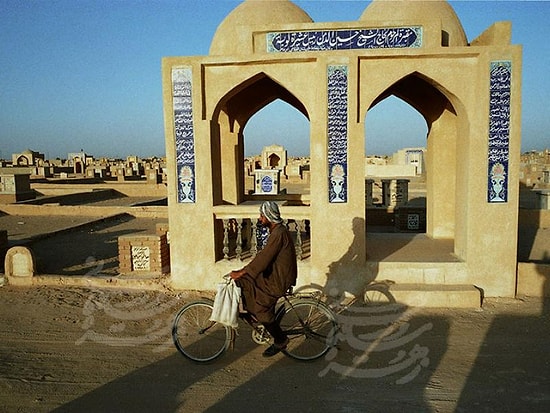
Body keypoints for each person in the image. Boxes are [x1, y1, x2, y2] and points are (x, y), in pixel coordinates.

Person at [230, 201, 297, 357]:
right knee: (245, 283)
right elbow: (264, 257)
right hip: (274, 273)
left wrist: (242, 271)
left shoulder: (278, 233)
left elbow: (264, 258)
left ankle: (280, 340)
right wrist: (244, 274)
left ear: (269, 216)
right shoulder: (277, 231)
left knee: (261, 308)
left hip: (279, 279)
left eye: (262, 216)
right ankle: (255, 317)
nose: (260, 219)